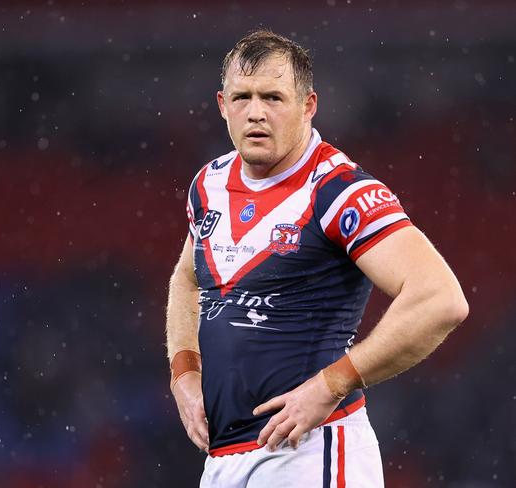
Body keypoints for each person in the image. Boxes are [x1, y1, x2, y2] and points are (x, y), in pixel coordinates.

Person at [165, 29, 468, 487]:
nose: (256, 113)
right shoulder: (209, 184)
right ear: (222, 105)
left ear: (308, 105)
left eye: (273, 97)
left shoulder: (339, 190)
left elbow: (440, 300)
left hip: (311, 453)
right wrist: (184, 373)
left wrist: (331, 385)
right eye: (242, 97)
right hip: (223, 461)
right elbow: (187, 280)